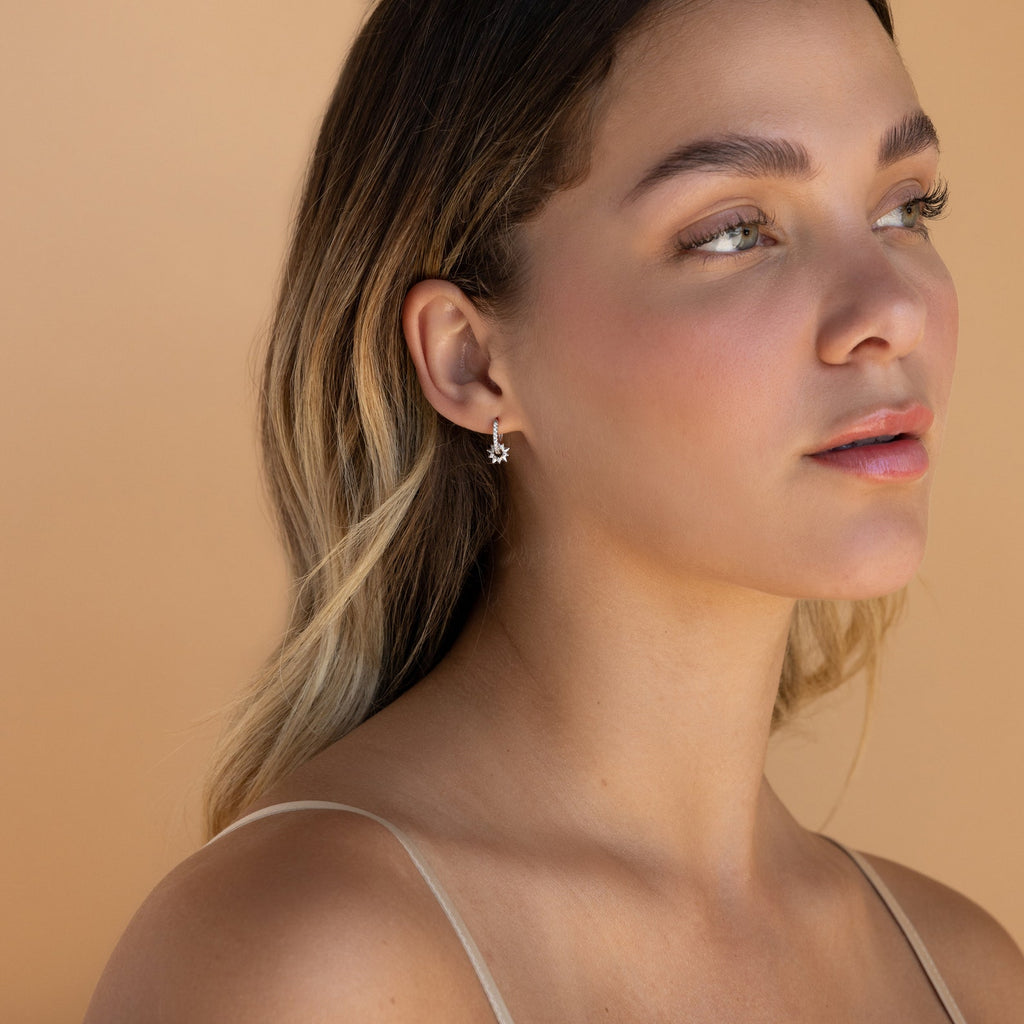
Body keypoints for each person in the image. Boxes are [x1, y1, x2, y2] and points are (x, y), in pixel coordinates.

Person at [85, 0, 1024, 1020]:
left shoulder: (965, 972)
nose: (887, 308)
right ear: (470, 360)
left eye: (905, 209)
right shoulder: (311, 960)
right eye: (735, 230)